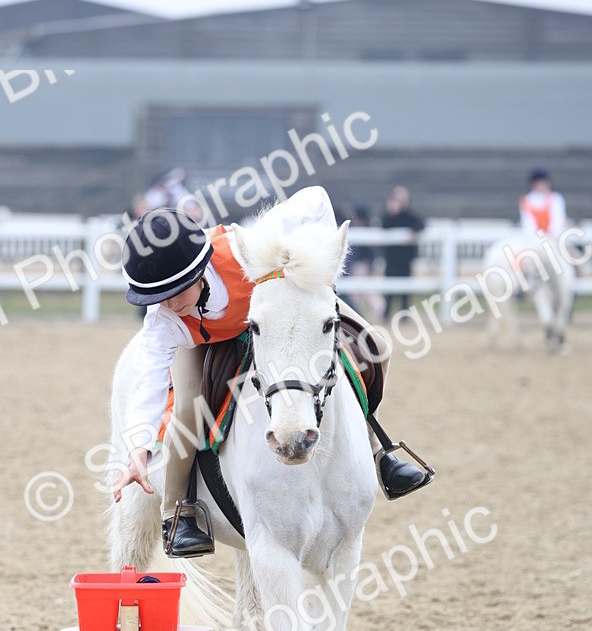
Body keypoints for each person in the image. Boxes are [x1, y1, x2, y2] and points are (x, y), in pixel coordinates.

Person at [112, 188, 430, 558]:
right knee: (187, 408)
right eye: (158, 298)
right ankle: (178, 513)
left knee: (376, 347)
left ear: (200, 270)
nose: (169, 305)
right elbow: (150, 379)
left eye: (176, 292)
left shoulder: (245, 247)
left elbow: (316, 198)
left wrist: (319, 266)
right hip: (200, 341)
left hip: (276, 311)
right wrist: (139, 446)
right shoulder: (165, 320)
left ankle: (380, 454)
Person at [381, 186, 424, 317]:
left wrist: (413, 232)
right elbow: (383, 225)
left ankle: (405, 314)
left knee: (405, 290)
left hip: (406, 258)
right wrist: (391, 212)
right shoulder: (388, 215)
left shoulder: (409, 216)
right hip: (392, 257)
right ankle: (387, 313)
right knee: (389, 288)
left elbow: (421, 224)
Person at [519, 168, 567, 239]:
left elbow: (558, 221)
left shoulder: (556, 198)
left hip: (554, 238)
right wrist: (538, 238)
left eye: (543, 183)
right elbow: (528, 224)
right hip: (534, 239)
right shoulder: (526, 200)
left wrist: (551, 236)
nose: (540, 186)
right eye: (538, 183)